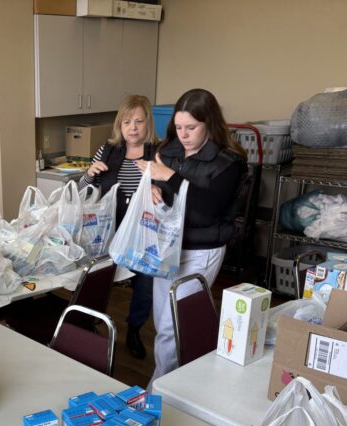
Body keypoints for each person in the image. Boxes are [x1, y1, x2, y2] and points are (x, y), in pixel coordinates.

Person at [146, 88, 247, 383]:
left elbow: (206, 212)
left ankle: (157, 393)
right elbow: (162, 194)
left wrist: (169, 177)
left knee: (171, 327)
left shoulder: (229, 162)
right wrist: (152, 188)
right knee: (167, 324)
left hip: (201, 249)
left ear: (209, 124)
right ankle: (185, 383)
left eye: (192, 128)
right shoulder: (168, 150)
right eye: (179, 127)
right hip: (166, 246)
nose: (184, 134)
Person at [78, 95, 158, 360]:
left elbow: (169, 190)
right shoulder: (108, 151)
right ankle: (90, 323)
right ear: (119, 125)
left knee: (143, 284)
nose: (132, 127)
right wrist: (91, 173)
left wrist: (159, 188)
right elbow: (83, 190)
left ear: (148, 123)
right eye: (126, 122)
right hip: (109, 230)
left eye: (138, 121)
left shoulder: (158, 153)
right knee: (100, 278)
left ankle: (134, 330)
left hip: (143, 231)